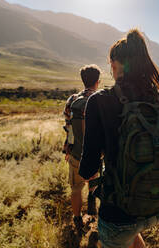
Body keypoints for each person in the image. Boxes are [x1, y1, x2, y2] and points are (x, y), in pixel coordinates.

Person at [79, 29, 159, 248]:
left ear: (113, 65)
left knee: (122, 234)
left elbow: (87, 168)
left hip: (118, 214)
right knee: (132, 235)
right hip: (157, 208)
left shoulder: (98, 102)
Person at [63, 64, 101, 231]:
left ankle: (77, 219)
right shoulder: (101, 99)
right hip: (96, 155)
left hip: (76, 153)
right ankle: (93, 214)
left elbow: (68, 125)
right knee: (94, 183)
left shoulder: (72, 100)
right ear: (98, 82)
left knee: (76, 189)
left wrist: (68, 148)